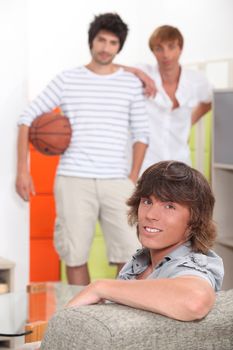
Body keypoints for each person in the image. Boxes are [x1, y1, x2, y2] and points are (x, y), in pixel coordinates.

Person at [16, 13, 149, 285]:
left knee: (131, 256)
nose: (105, 47)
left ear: (118, 47)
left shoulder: (130, 83)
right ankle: (82, 321)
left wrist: (132, 175)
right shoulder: (67, 79)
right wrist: (23, 170)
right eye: (101, 40)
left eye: (113, 43)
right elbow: (26, 118)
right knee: (74, 255)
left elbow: (142, 134)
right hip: (73, 178)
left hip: (117, 180)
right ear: (92, 41)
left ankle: (119, 320)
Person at [67, 161, 224, 321]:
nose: (150, 215)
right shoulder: (141, 262)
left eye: (169, 206)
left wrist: (100, 287)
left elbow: (195, 300)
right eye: (147, 202)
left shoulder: (190, 265)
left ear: (194, 220)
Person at [123, 25, 212, 172]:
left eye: (171, 47)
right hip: (144, 164)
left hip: (179, 161)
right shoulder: (144, 73)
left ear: (180, 48)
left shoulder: (196, 80)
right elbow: (109, 68)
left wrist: (189, 122)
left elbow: (208, 102)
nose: (166, 54)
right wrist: (137, 72)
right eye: (159, 48)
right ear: (153, 51)